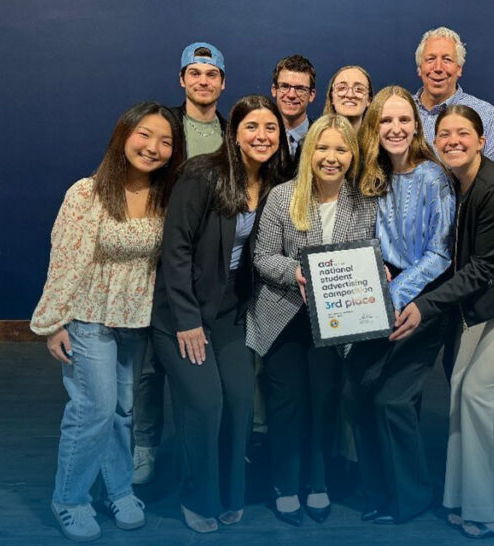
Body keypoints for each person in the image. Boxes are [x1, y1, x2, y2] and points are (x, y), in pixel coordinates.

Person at [392, 105, 494, 539]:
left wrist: (424, 307)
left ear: (482, 141)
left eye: (463, 134)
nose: (453, 142)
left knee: (485, 395)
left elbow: (482, 268)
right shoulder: (455, 181)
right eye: (444, 134)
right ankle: (466, 497)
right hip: (485, 301)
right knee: (463, 388)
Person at [31, 101, 183, 542]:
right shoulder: (87, 192)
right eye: (145, 135)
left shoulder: (164, 197)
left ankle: (117, 490)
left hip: (134, 321)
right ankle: (70, 499)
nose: (153, 147)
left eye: (165, 141)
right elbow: (65, 260)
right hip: (88, 316)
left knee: (122, 411)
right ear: (124, 135)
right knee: (91, 410)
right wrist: (53, 322)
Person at [150, 95, 290, 534]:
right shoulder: (202, 174)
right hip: (181, 311)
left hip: (232, 308)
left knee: (240, 401)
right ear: (235, 132)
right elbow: (175, 250)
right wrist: (187, 319)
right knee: (206, 403)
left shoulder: (274, 183)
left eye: (271, 128)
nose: (262, 136)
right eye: (252, 127)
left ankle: (230, 492)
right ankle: (198, 496)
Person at [246, 114, 377, 526]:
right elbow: (262, 257)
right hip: (284, 314)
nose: (331, 157)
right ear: (308, 151)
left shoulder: (362, 202)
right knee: (286, 403)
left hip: (336, 322)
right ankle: (286, 483)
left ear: (352, 156)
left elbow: (369, 253)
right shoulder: (283, 196)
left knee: (324, 400)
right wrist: (296, 272)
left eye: (341, 149)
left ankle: (317, 481)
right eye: (322, 148)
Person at [344, 85, 454, 525]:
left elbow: (440, 253)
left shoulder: (434, 176)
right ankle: (377, 492)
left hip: (421, 302)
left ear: (416, 125)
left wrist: (396, 295)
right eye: (385, 120)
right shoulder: (370, 176)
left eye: (404, 120)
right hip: (377, 295)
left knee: (393, 400)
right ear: (374, 127)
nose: (395, 128)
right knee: (356, 393)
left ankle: (412, 497)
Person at [133, 41, 229, 485]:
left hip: (211, 267)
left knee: (203, 366)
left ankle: (211, 450)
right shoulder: (162, 127)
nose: (203, 81)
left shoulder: (234, 133)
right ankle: (144, 447)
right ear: (182, 79)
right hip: (158, 258)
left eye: (211, 74)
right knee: (152, 364)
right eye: (195, 73)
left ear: (222, 83)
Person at [412, 27, 494, 172]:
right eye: (430, 59)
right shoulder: (400, 112)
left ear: (459, 68)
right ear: (419, 68)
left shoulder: (487, 115)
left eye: (447, 59)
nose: (438, 67)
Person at [271, 54, 317, 158]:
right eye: (285, 86)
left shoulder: (322, 138)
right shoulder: (261, 139)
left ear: (311, 95)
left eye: (300, 88)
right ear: (274, 90)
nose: (291, 95)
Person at [322, 65, 373, 131]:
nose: (350, 95)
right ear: (332, 98)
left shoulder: (381, 140)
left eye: (359, 89)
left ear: (369, 100)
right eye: (342, 88)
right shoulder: (313, 140)